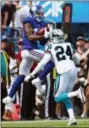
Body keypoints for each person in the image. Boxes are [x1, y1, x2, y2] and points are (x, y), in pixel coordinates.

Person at [25, 28, 86, 125]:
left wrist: (32, 74)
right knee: (65, 96)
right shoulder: (69, 45)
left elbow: (43, 62)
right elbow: (77, 60)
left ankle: (77, 93)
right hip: (73, 70)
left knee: (57, 98)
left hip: (63, 71)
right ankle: (72, 118)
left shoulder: (50, 46)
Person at [2, 5, 54, 118]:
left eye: (41, 13)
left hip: (31, 51)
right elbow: (30, 37)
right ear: (32, 13)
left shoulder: (43, 23)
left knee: (21, 76)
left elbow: (44, 42)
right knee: (51, 59)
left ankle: (9, 97)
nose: (40, 15)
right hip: (28, 50)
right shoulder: (28, 20)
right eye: (38, 13)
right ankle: (38, 80)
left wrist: (48, 35)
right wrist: (42, 35)